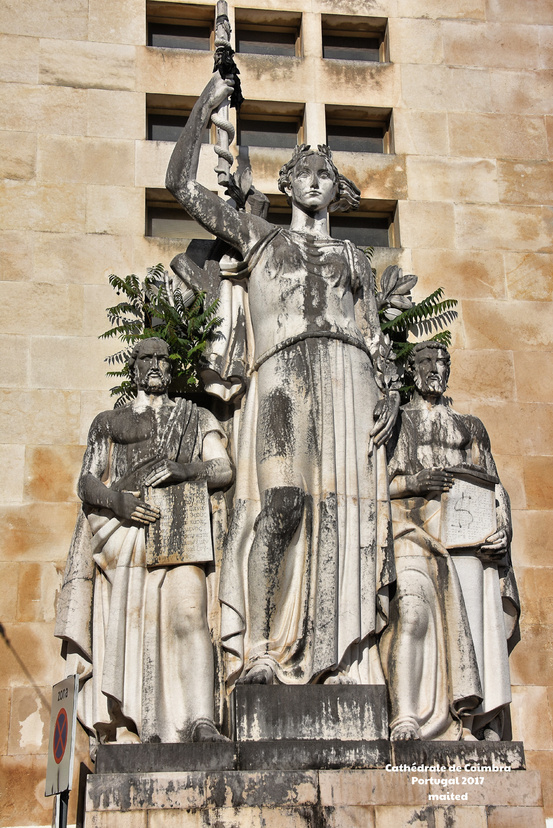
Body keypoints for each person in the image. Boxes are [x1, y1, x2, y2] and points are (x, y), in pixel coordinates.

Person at [166, 73, 401, 687]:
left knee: (343, 513)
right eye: (305, 170)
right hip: (283, 376)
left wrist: (392, 390)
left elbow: (374, 333)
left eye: (326, 171)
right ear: (287, 184)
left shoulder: (354, 258)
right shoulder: (261, 237)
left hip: (349, 377)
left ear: (336, 190)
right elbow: (181, 186)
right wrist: (205, 107)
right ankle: (262, 648)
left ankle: (340, 658)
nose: (316, 178)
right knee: (284, 502)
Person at [55, 338, 233, 745]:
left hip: (179, 525)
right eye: (146, 358)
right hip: (125, 536)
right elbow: (86, 480)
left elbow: (222, 469)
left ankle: (201, 720)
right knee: (135, 626)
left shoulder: (195, 416)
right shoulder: (108, 421)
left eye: (161, 358)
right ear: (133, 368)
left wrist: (182, 469)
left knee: (190, 615)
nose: (155, 364)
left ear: (170, 369)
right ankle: (140, 725)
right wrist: (116, 501)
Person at [380, 341, 519, 741]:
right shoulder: (398, 421)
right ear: (412, 368)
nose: (436, 368)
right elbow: (371, 486)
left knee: (476, 612)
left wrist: (502, 528)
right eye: (427, 361)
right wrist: (414, 482)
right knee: (413, 611)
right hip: (411, 530)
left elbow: (495, 488)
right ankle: (406, 714)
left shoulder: (470, 426)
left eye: (444, 362)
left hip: (464, 537)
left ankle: (477, 719)